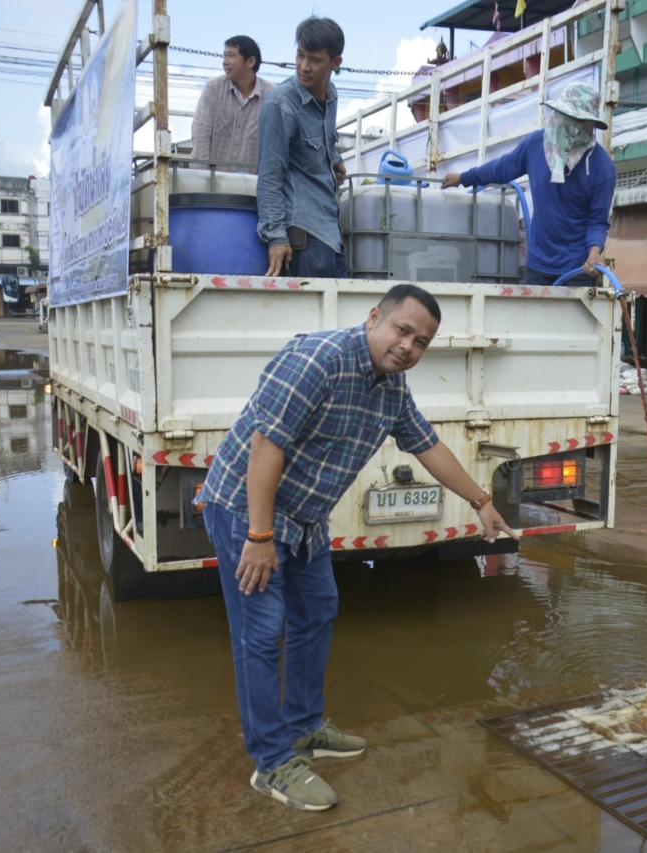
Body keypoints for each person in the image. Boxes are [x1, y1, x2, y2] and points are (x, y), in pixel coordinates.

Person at [199, 284, 515, 811]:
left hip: (304, 517)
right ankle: (273, 763)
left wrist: (481, 499)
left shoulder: (391, 387)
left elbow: (428, 445)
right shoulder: (318, 360)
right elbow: (265, 444)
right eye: (402, 330)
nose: (408, 346)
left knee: (318, 611)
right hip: (246, 508)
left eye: (421, 341)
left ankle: (304, 727)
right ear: (375, 318)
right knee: (261, 632)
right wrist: (258, 536)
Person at [440, 83, 615, 287]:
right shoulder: (536, 145)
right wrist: (464, 177)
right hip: (538, 267)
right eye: (566, 116)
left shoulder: (602, 169)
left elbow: (597, 221)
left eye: (579, 120)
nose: (570, 125)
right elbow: (503, 167)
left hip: (577, 270)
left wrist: (594, 253)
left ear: (590, 125)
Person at [257, 17, 350, 278]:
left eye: (315, 60)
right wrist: (276, 236)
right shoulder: (281, 104)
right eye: (300, 55)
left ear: (335, 63)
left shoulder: (330, 95)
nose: (304, 67)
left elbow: (322, 139)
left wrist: (334, 158)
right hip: (303, 234)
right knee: (311, 319)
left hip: (332, 231)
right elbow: (269, 175)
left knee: (341, 315)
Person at [191, 35, 272, 172]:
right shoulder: (213, 89)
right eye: (224, 56)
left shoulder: (271, 96)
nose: (225, 62)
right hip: (213, 183)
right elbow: (201, 135)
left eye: (231, 56)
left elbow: (273, 146)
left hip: (253, 187)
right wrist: (202, 181)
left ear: (251, 61)